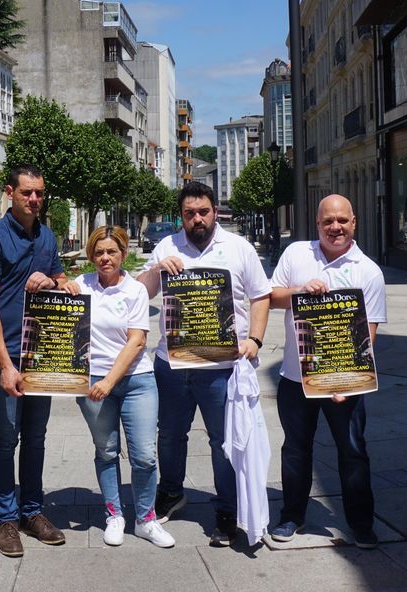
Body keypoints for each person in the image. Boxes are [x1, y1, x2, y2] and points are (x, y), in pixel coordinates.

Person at [135, 181, 271, 546]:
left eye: (203, 212)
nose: (197, 219)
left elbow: (261, 296)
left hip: (222, 366)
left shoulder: (238, 248)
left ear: (215, 211)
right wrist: (155, 269)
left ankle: (227, 509)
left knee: (224, 441)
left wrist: (254, 340)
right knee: (169, 435)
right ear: (181, 216)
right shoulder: (167, 245)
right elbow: (141, 292)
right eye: (189, 213)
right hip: (173, 362)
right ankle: (171, 490)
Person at [267, 194, 387, 550]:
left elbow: (370, 333)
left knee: (352, 451)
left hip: (343, 381)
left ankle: (361, 523)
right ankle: (292, 516)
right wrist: (300, 291)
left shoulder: (369, 271)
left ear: (355, 222)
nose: (335, 227)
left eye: (342, 221)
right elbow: (271, 296)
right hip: (294, 377)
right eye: (327, 221)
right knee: (295, 450)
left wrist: (350, 381)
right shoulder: (296, 254)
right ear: (317, 224)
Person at [0, 164, 79, 557]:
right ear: (10, 193)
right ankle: (5, 518)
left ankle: (32, 512)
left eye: (39, 193)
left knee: (36, 438)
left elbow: (61, 277)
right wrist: (4, 365)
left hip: (42, 356)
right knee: (6, 438)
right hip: (9, 357)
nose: (34, 199)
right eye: (26, 193)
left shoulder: (47, 235)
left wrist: (54, 281)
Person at [75, 225, 173, 548]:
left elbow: (137, 341)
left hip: (136, 381)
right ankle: (114, 514)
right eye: (99, 252)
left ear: (123, 254)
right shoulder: (82, 285)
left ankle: (146, 519)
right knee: (105, 451)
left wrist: (108, 381)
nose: (105, 258)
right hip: (92, 383)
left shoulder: (135, 291)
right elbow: (56, 295)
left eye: (112, 252)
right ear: (91, 255)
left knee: (144, 455)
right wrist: (53, 282)